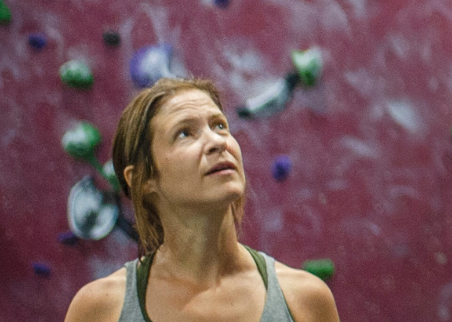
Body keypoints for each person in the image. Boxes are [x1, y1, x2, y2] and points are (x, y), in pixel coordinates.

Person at [63, 78, 340, 322]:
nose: (218, 142)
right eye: (185, 133)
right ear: (142, 179)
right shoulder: (101, 311)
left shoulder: (305, 301)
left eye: (220, 126)